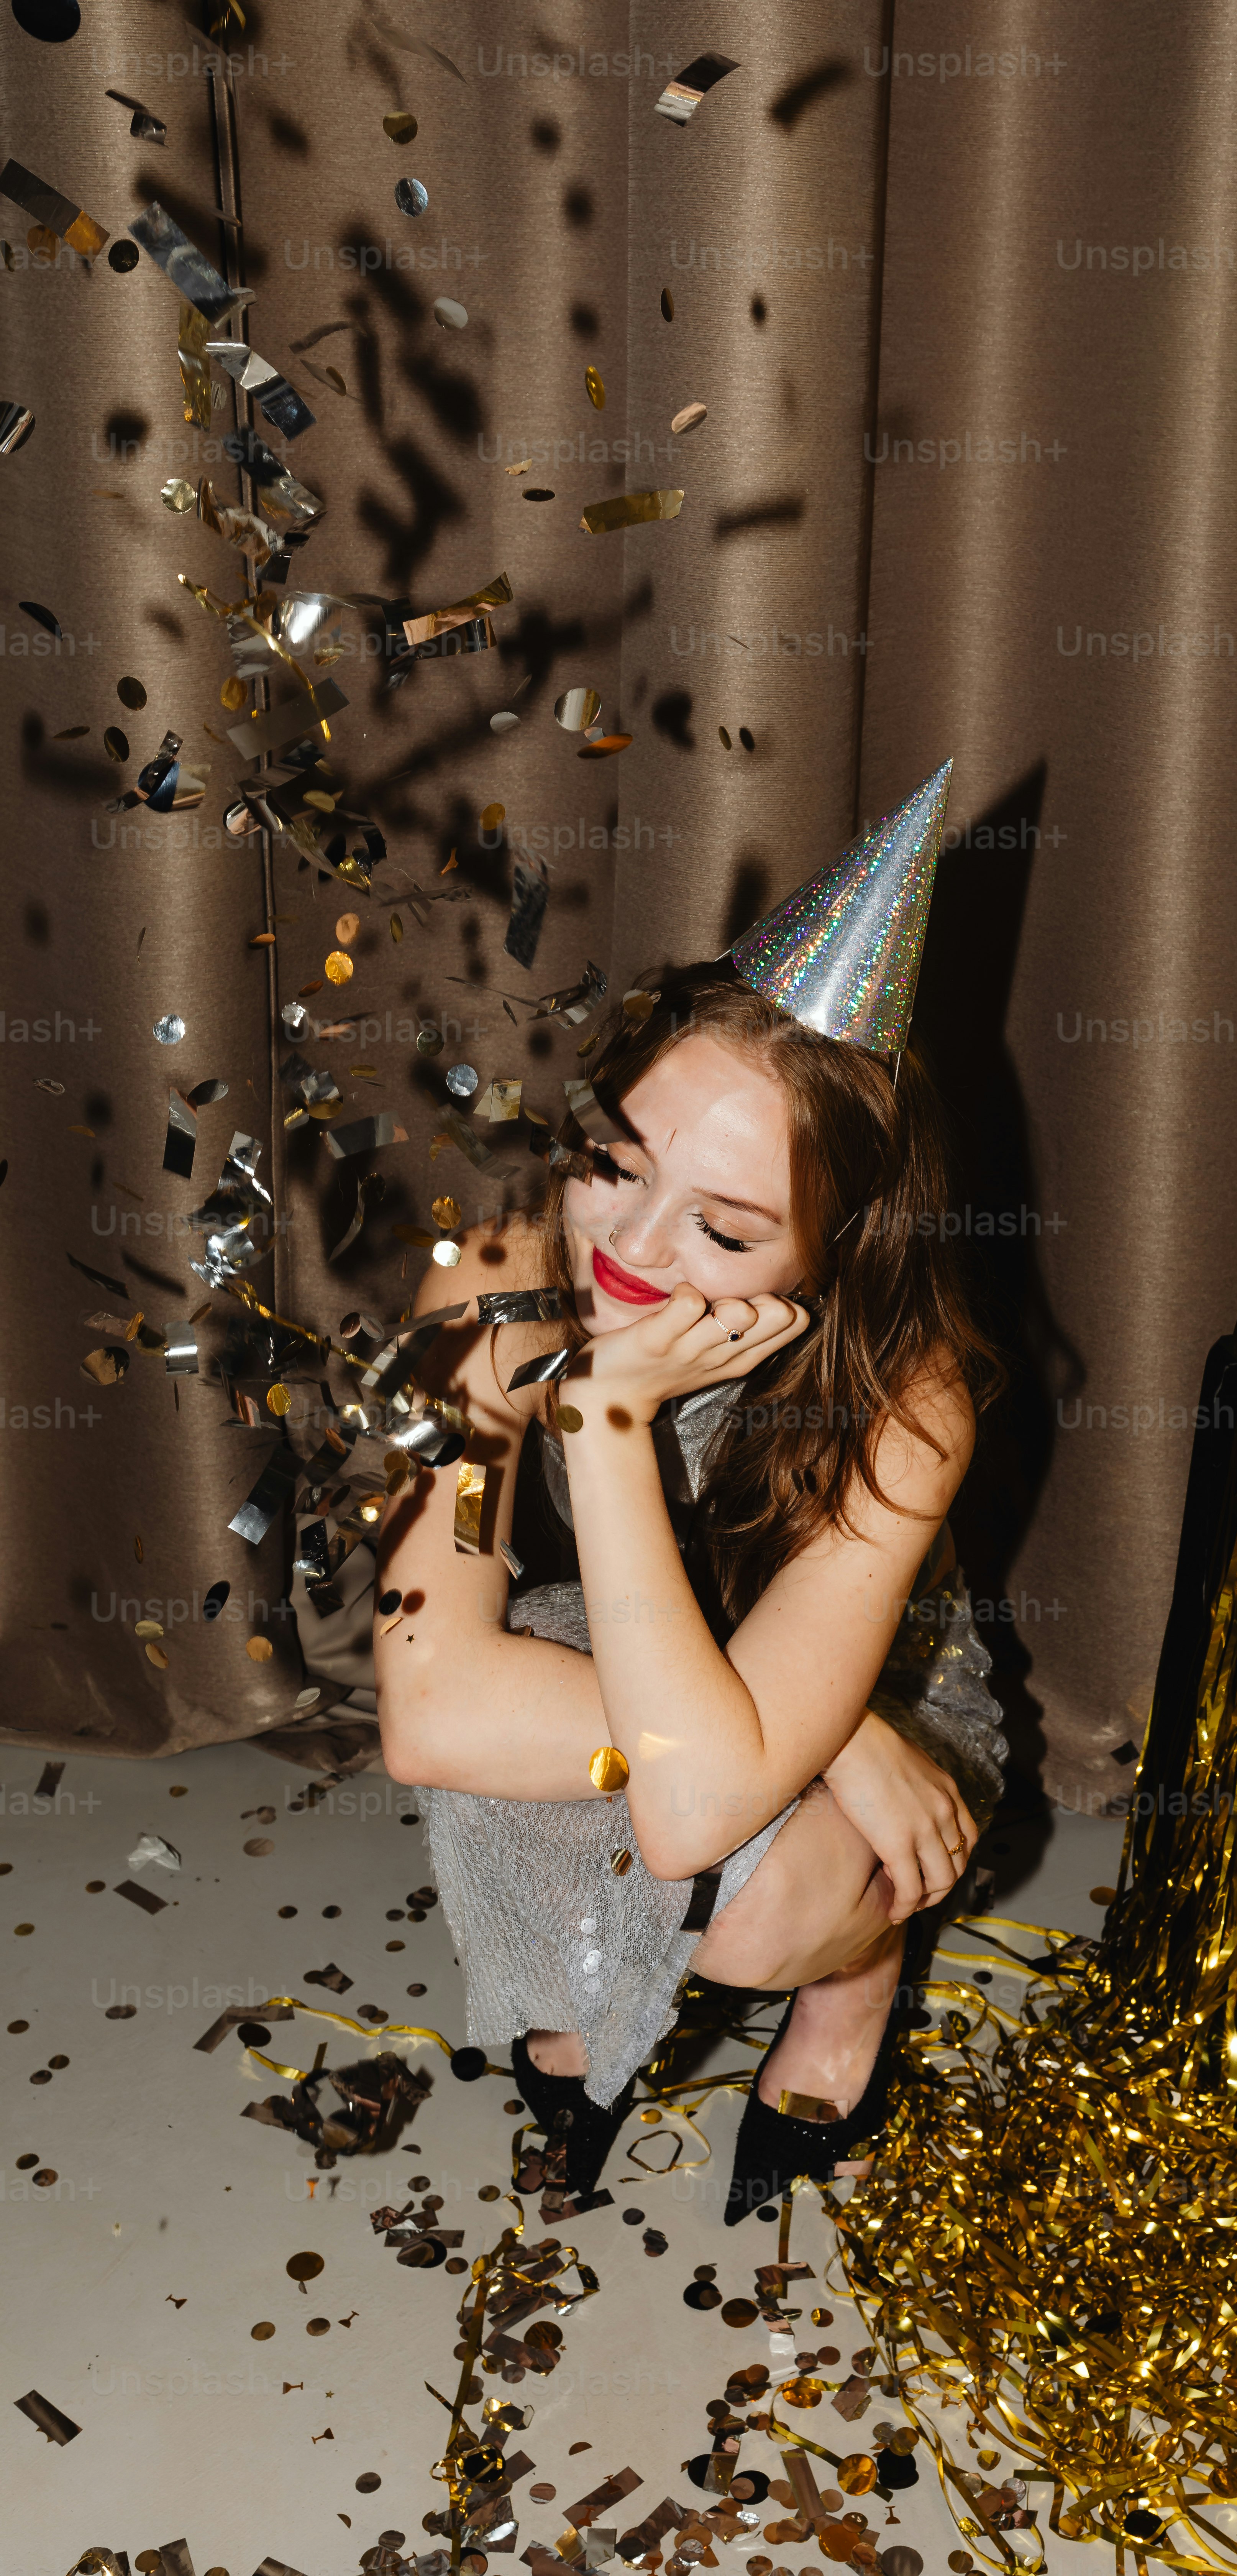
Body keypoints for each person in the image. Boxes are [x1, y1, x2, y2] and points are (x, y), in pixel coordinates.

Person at [375, 764, 1009, 2219]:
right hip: (719, 1691)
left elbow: (694, 1813)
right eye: (616, 1164)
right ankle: (636, 1948)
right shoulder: (491, 1277)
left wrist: (601, 1426)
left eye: (724, 1231)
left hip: (892, 1703)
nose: (633, 1252)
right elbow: (430, 1704)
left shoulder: (909, 1403)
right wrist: (829, 1741)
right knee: (539, 1758)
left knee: (750, 1903)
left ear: (828, 1261)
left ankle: (860, 1967)